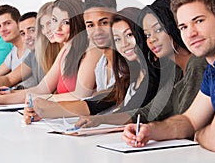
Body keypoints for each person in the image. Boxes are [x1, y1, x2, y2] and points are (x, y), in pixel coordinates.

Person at [122, 0, 215, 158]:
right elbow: (189, 120)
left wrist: (199, 134)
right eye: (183, 27)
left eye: (199, 21)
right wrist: (150, 130)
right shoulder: (214, 66)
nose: (191, 33)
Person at [74, 0, 207, 128]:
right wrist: (100, 119)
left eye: (158, 30)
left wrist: (152, 131)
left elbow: (189, 123)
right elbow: (148, 112)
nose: (152, 39)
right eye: (147, 34)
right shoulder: (175, 70)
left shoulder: (197, 63)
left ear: (173, 26)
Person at [23, 7, 160, 124]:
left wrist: (99, 120)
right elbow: (97, 103)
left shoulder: (155, 73)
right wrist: (46, 110)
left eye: (129, 35)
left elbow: (131, 113)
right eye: (117, 39)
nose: (124, 44)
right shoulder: (131, 73)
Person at [0, 0, 101, 105]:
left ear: (77, 22)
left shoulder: (91, 51)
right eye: (54, 21)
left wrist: (37, 99)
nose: (56, 28)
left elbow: (80, 95)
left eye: (65, 22)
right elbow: (42, 89)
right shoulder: (66, 51)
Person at [0, 2, 62, 104]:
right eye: (23, 33)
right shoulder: (33, 55)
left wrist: (7, 96)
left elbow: (45, 91)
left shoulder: (61, 52)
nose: (27, 37)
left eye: (32, 30)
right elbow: (9, 79)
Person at [83, 0, 117, 92]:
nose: (97, 31)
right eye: (90, 25)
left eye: (104, 23)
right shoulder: (101, 65)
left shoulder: (128, 61)